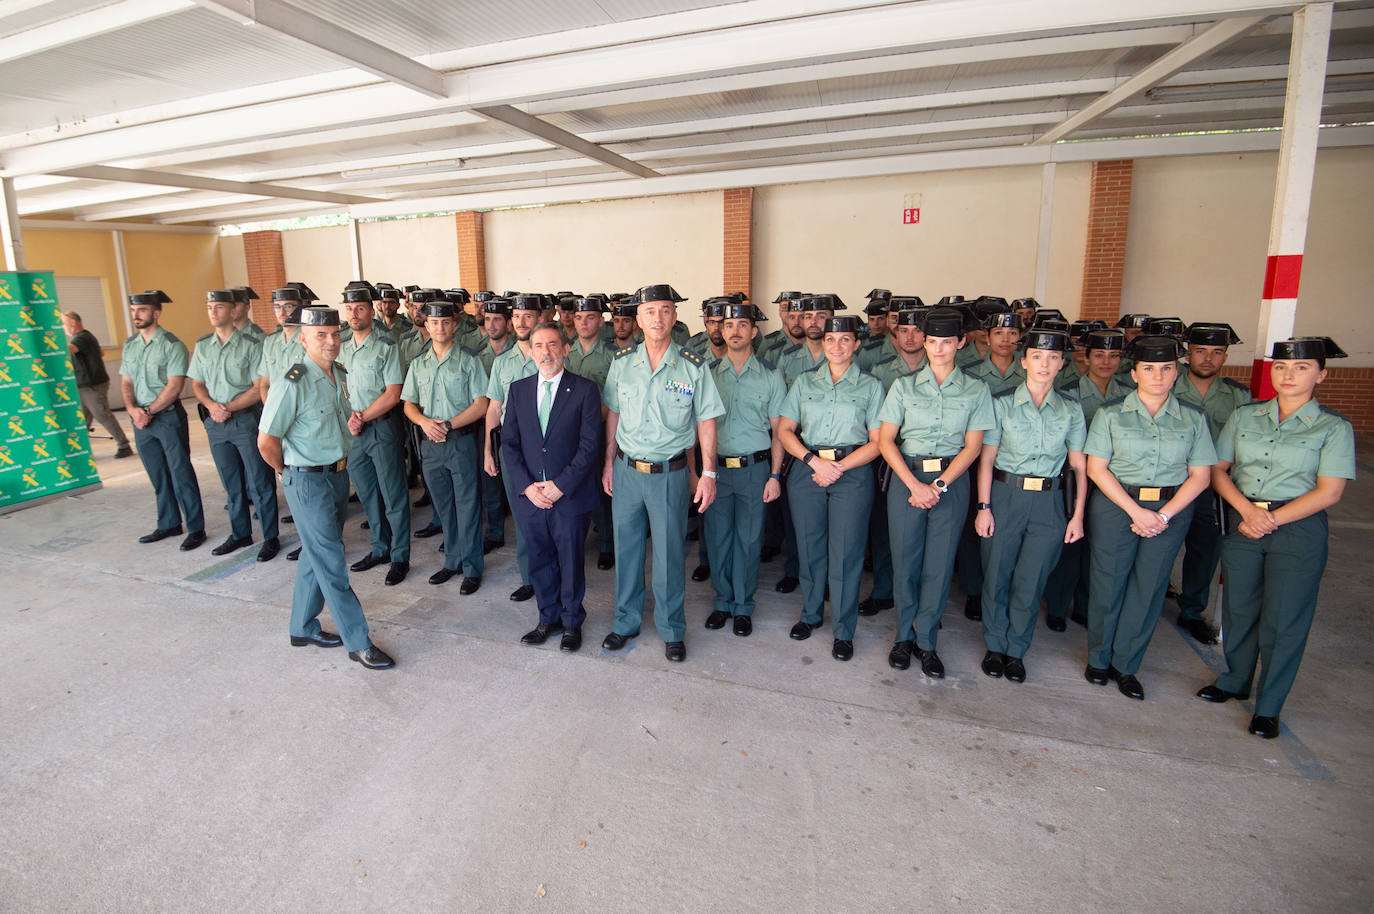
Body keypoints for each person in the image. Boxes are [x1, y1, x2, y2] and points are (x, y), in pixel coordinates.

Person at [1198, 337, 1355, 739]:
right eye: (1282, 367)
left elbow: (1330, 491)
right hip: (1245, 517)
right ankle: (1235, 680)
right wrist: (1248, 512)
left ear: (1321, 374)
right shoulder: (1245, 416)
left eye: (1302, 368)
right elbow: (1219, 469)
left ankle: (1269, 705)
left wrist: (1271, 518)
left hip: (1297, 527)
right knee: (1240, 607)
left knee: (1285, 619)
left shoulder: (1333, 427)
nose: (1289, 375)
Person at [256, 306, 394, 671]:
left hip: (335, 475)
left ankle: (302, 627)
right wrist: (287, 472)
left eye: (335, 333)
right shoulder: (292, 380)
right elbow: (266, 441)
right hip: (306, 480)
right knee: (332, 560)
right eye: (321, 335)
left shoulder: (339, 373)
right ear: (303, 339)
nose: (331, 341)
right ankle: (358, 641)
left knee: (315, 554)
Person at [1083, 335, 1215, 701]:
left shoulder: (1192, 418)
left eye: (1167, 369)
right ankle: (1099, 658)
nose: (1158, 376)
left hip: (1170, 511)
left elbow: (1201, 475)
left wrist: (1164, 515)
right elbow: (1097, 468)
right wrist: (1136, 511)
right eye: (1149, 369)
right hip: (1117, 506)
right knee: (1108, 583)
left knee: (1149, 588)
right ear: (1135, 373)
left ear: (1177, 373)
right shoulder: (1111, 414)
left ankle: (1127, 665)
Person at [601, 283, 725, 662]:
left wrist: (708, 474)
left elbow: (706, 421)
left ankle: (672, 628)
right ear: (638, 318)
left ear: (674, 317)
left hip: (670, 475)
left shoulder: (692, 365)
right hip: (626, 472)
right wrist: (607, 462)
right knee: (627, 550)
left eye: (665, 310)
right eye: (650, 311)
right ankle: (625, 622)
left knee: (671, 554)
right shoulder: (622, 363)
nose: (657, 317)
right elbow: (613, 415)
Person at [878, 306, 992, 676]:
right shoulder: (903, 386)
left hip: (951, 483)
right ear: (923, 343)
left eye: (946, 342)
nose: (938, 349)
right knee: (906, 561)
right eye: (932, 342)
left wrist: (938, 486)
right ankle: (902, 638)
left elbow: (973, 447)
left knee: (939, 566)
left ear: (960, 342)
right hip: (907, 479)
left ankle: (927, 641)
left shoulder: (976, 389)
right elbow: (886, 440)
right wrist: (913, 484)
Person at [974, 329, 1087, 683]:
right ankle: (995, 644)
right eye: (1037, 356)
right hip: (1007, 496)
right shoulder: (1001, 403)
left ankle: (1016, 649)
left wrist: (1077, 515)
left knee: (1031, 579)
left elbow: (1079, 467)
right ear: (1024, 362)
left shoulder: (1069, 409)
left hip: (1049, 501)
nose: (1045, 364)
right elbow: (987, 460)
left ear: (1061, 365)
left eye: (1053, 358)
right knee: (997, 573)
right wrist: (983, 506)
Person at [777, 313, 884, 661]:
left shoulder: (870, 386)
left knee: (846, 552)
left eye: (844, 340)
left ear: (855, 344)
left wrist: (838, 467)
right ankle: (810, 615)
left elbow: (878, 441)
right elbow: (785, 430)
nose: (836, 346)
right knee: (810, 547)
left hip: (852, 472)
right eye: (830, 340)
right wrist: (814, 462)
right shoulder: (805, 383)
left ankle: (843, 629)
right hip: (808, 471)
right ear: (822, 344)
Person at [501, 323, 603, 652]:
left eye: (553, 345)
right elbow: (510, 444)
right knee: (540, 560)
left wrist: (560, 486)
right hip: (531, 497)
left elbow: (589, 446)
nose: (546, 352)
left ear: (565, 349)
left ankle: (572, 622)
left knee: (571, 561)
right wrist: (527, 487)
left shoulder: (585, 390)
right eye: (539, 346)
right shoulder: (518, 390)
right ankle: (548, 619)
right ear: (530, 352)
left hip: (569, 496)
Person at [702, 303, 785, 637]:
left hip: (755, 469)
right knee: (718, 539)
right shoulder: (705, 374)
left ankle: (743, 607)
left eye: (742, 325)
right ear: (721, 331)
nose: (735, 330)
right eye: (729, 324)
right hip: (717, 471)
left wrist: (775, 475)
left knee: (749, 541)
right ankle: (722, 602)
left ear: (754, 332)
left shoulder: (771, 375)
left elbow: (780, 431)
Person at [1043, 328, 1133, 630]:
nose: (1106, 361)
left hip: (1114, 480)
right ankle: (1057, 605)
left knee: (1100, 547)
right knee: (1069, 545)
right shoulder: (1068, 393)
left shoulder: (1129, 396)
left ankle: (1084, 605)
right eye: (1099, 355)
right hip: (1076, 477)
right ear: (1087, 357)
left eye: (1113, 355)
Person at [1171, 322, 1251, 644]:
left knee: (1205, 552)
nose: (1207, 359)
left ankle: (1191, 611)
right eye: (1201, 351)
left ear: (1225, 357)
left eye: (1217, 352)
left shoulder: (1237, 395)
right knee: (1159, 546)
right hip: (1172, 481)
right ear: (1188, 354)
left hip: (1212, 486)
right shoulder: (1168, 385)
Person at [402, 301, 490, 591]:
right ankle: (452, 561)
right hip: (431, 446)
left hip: (460, 442)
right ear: (426, 325)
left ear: (454, 325)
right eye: (434, 323)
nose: (439, 327)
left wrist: (449, 424)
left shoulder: (469, 359)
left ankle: (472, 567)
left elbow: (481, 404)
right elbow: (409, 404)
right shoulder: (418, 363)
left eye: (445, 322)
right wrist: (425, 422)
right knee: (443, 507)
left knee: (467, 506)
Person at [188, 289, 280, 561]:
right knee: (231, 483)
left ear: (232, 310)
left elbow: (257, 387)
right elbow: (197, 383)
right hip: (216, 425)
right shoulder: (203, 345)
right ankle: (240, 533)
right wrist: (210, 406)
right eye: (209, 307)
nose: (213, 312)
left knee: (260, 480)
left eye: (218, 307)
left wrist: (227, 407)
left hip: (244, 420)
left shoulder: (252, 343)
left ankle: (270, 537)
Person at [119, 290, 206, 551]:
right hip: (140, 419)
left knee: (181, 473)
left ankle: (195, 528)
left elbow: (175, 385)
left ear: (156, 313)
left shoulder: (172, 344)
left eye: (142, 310)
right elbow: (126, 381)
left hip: (166, 417)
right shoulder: (130, 344)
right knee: (158, 474)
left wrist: (149, 411)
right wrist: (132, 409)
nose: (137, 314)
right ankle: (168, 523)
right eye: (135, 310)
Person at [337, 286, 410, 586]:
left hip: (380, 426)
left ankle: (400, 556)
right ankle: (380, 548)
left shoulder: (385, 345)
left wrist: (363, 417)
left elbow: (393, 393)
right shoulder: (340, 346)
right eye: (349, 309)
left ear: (371, 310)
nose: (354, 314)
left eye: (360, 308)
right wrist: (350, 420)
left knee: (393, 494)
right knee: (368, 493)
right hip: (353, 432)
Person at [860, 301, 928, 618]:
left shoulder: (939, 371)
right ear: (894, 335)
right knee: (884, 530)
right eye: (904, 330)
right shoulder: (880, 372)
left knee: (927, 538)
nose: (911, 337)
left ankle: (922, 601)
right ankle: (884, 590)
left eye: (917, 331)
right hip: (886, 461)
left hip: (927, 464)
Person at [959, 309, 1025, 622]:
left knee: (1008, 529)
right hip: (974, 457)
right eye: (999, 333)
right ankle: (974, 589)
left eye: (1013, 334)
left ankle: (1005, 590)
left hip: (1014, 462)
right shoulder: (970, 372)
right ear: (988, 335)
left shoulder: (1029, 373)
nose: (1006, 340)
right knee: (974, 524)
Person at [484, 293, 542, 602]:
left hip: (545, 444)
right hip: (511, 446)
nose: (521, 322)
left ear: (539, 319)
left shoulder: (548, 355)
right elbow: (494, 408)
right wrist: (487, 450)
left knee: (548, 510)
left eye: (527, 316)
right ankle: (529, 576)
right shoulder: (502, 362)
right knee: (521, 512)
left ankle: (553, 568)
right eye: (517, 317)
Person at [565, 296, 616, 570]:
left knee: (600, 489)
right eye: (579, 318)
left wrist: (590, 424)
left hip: (597, 431)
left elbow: (613, 401)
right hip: (567, 436)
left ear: (601, 320)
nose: (584, 323)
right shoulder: (565, 353)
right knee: (571, 488)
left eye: (590, 317)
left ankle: (607, 545)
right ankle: (576, 542)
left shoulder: (612, 356)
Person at [62, 311, 132, 458]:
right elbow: (101, 353)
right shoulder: (84, 337)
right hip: (84, 385)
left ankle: (124, 445)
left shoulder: (82, 337)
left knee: (102, 415)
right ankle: (80, 450)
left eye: (63, 323)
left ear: (73, 323)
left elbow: (69, 350)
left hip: (92, 386)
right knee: (82, 419)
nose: (62, 327)